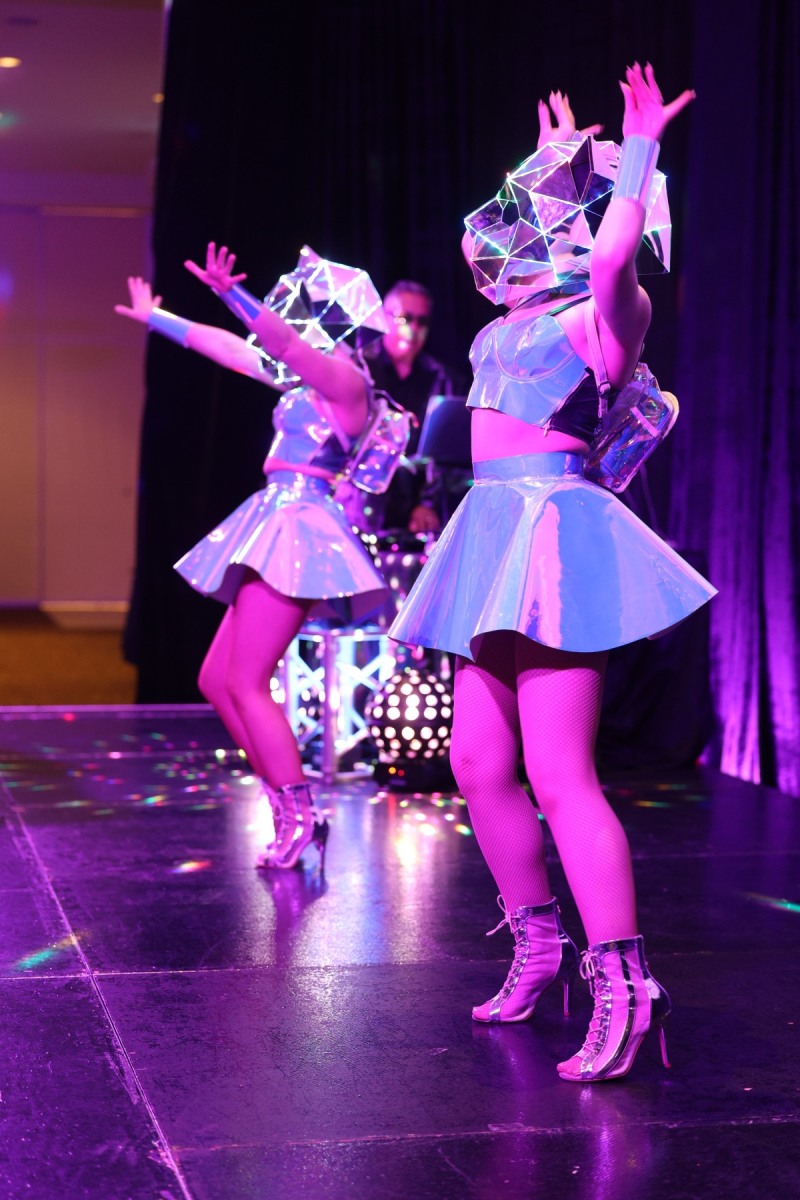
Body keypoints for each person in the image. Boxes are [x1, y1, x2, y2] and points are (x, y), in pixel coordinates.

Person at [390, 67, 716, 1082]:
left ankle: (625, 985)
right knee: (477, 763)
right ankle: (538, 944)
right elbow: (517, 232)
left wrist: (636, 146)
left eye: (555, 211)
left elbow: (612, 252)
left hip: (554, 539)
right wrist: (553, 158)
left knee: (559, 772)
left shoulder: (606, 314)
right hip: (491, 532)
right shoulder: (501, 323)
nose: (527, 224)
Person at [116, 243, 408, 871]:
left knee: (247, 681)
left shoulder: (347, 382)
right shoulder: (306, 378)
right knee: (216, 679)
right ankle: (289, 804)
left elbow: (284, 344)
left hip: (303, 527)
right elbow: (233, 350)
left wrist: (232, 293)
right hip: (276, 516)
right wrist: (157, 318)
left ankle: (301, 815)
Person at [360, 280, 467, 534]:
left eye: (422, 321)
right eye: (405, 318)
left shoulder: (443, 379)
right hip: (362, 505)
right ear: (384, 317)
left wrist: (427, 503)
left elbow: (445, 456)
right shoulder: (359, 369)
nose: (414, 329)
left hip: (421, 517)